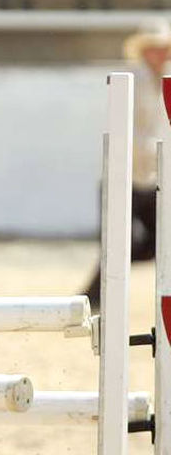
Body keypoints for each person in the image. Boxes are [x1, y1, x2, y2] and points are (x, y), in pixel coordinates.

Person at [82, 18, 171, 307]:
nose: (159, 54)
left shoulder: (165, 81)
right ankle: (95, 295)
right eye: (154, 49)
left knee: (155, 244)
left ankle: (94, 294)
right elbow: (125, 128)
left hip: (152, 178)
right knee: (119, 244)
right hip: (125, 175)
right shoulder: (131, 80)